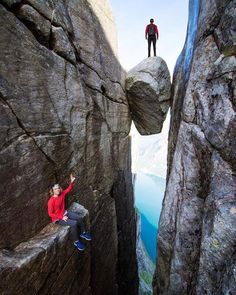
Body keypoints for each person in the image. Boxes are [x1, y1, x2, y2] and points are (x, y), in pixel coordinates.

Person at [48, 174, 91, 251]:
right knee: (74, 223)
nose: (57, 190)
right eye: (55, 189)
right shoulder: (51, 201)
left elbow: (68, 189)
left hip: (64, 213)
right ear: (52, 190)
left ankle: (83, 233)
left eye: (58, 188)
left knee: (79, 218)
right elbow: (50, 214)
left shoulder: (62, 194)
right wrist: (61, 217)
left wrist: (72, 182)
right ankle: (76, 241)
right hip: (57, 218)